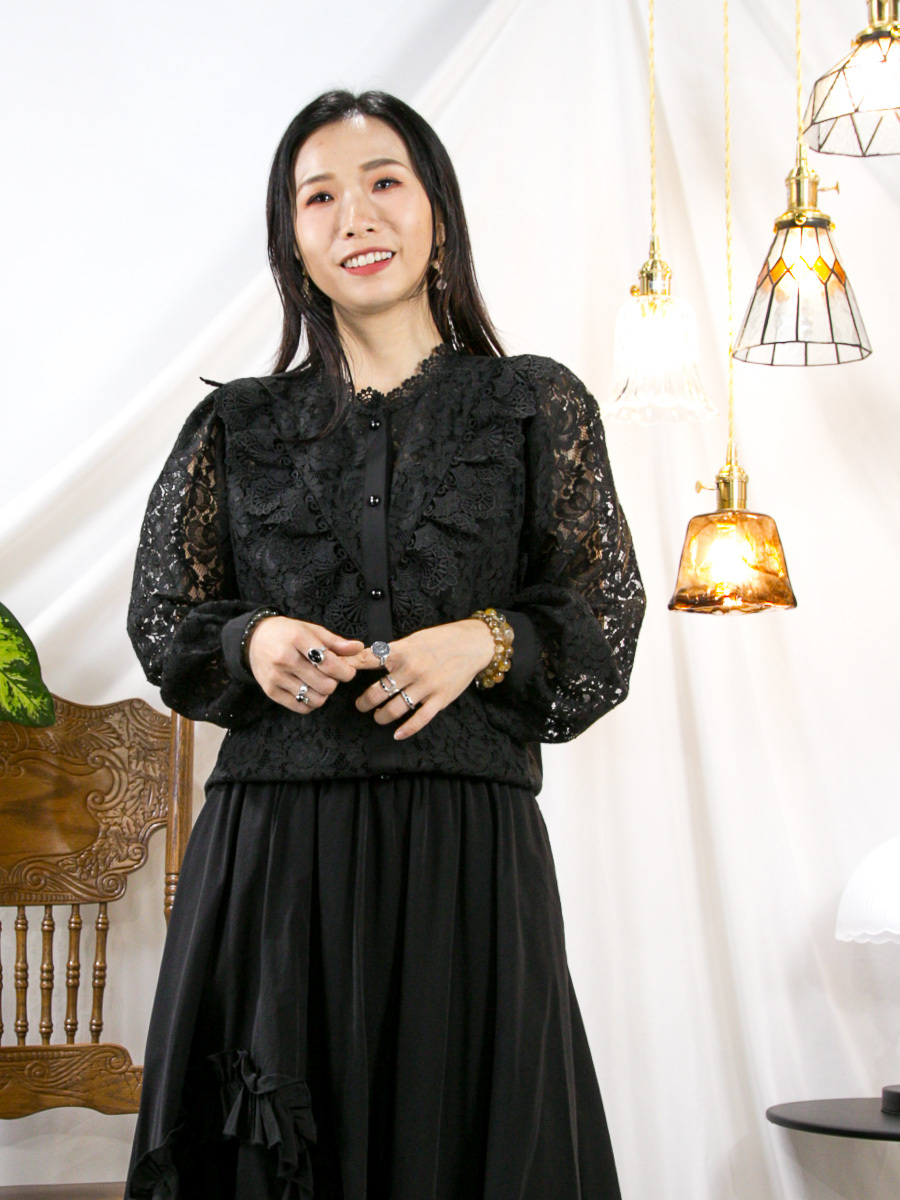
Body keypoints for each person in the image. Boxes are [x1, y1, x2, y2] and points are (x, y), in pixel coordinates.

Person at [124, 88, 645, 1200]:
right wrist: (254, 638)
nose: (355, 215)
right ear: (292, 244)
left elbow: (602, 621)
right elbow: (165, 619)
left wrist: (485, 642)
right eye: (319, 197)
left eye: (384, 183)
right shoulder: (236, 425)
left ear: (437, 216)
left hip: (466, 860)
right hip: (274, 865)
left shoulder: (533, 405)